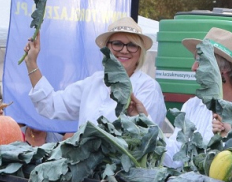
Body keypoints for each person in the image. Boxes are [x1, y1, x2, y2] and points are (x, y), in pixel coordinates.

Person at [24, 17, 166, 129]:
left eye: (132, 45)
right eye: (117, 44)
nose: (124, 50)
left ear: (140, 52)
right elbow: (51, 105)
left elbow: (146, 141)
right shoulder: (93, 82)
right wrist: (31, 63)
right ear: (107, 49)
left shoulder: (148, 87)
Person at [163, 28, 232, 167]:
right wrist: (146, 126)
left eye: (200, 60)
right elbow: (174, 158)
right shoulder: (191, 106)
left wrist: (230, 137)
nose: (193, 67)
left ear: (222, 69)